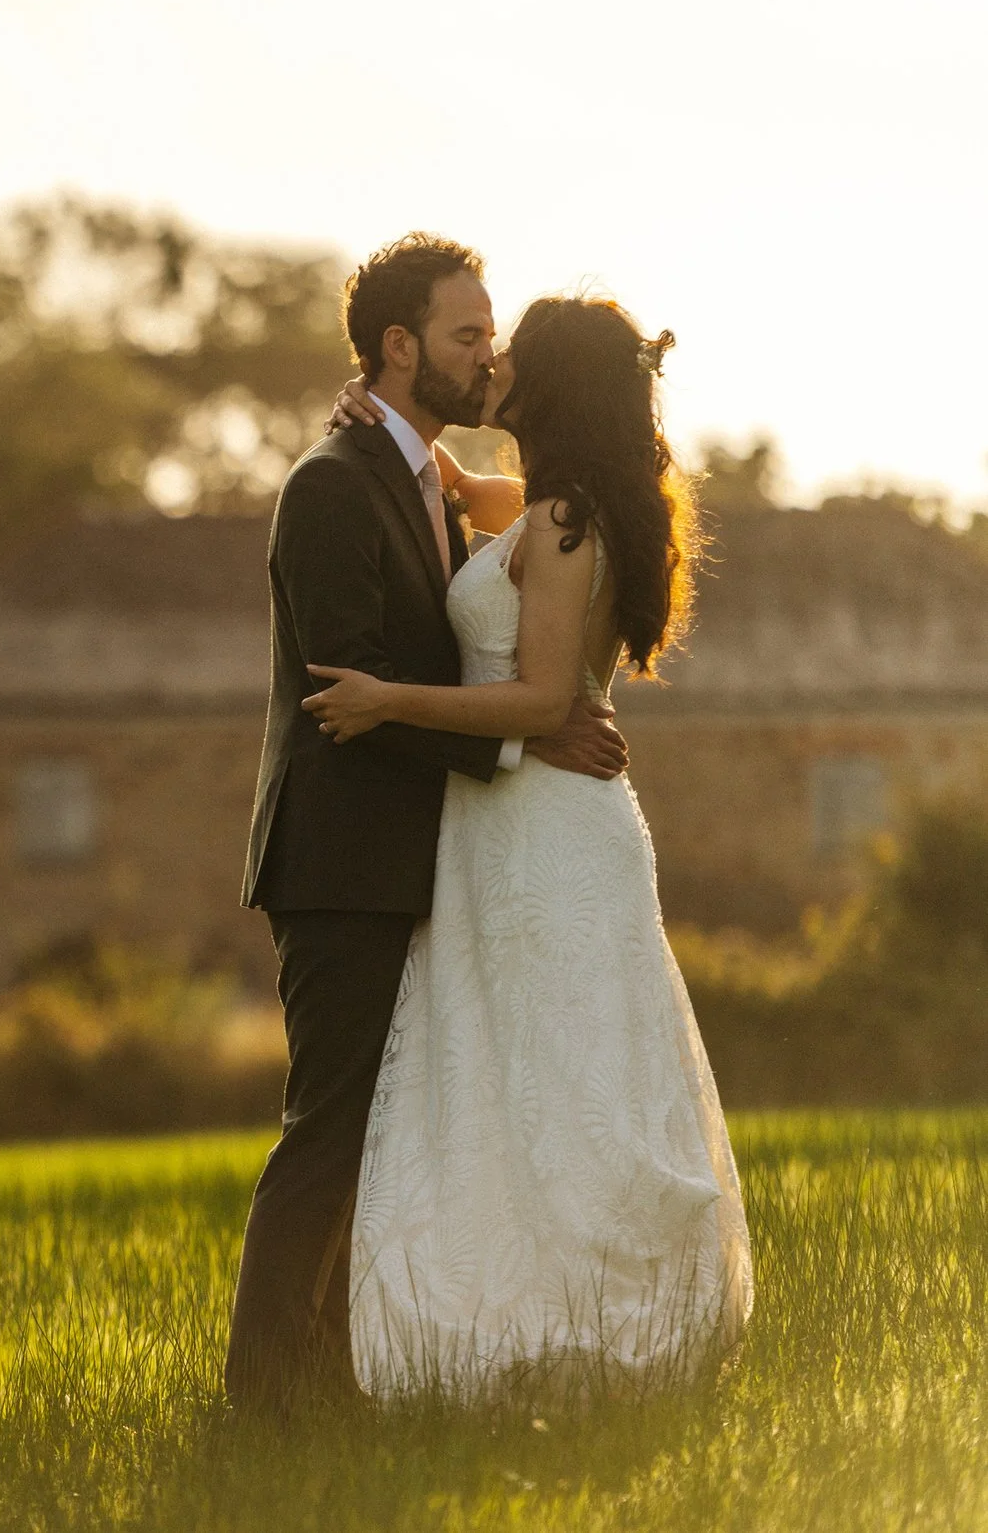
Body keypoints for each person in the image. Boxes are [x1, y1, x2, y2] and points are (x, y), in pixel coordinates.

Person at [301, 291, 753, 1400]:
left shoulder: (561, 522)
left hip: (547, 836)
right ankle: (530, 1307)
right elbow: (463, 499)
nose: (490, 361)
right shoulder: (553, 505)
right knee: (512, 1076)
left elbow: (542, 695)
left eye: (510, 350)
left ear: (546, 382)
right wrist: (405, 441)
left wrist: (385, 699)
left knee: (563, 1077)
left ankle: (585, 1327)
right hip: (511, 832)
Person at [226, 233, 630, 1416]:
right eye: (465, 335)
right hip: (339, 864)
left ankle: (335, 1384)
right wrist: (524, 734)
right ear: (398, 347)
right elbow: (343, 691)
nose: (486, 354)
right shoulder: (328, 485)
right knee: (329, 1130)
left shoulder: (420, 481)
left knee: (386, 1130)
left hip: (421, 858)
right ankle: (259, 1404)